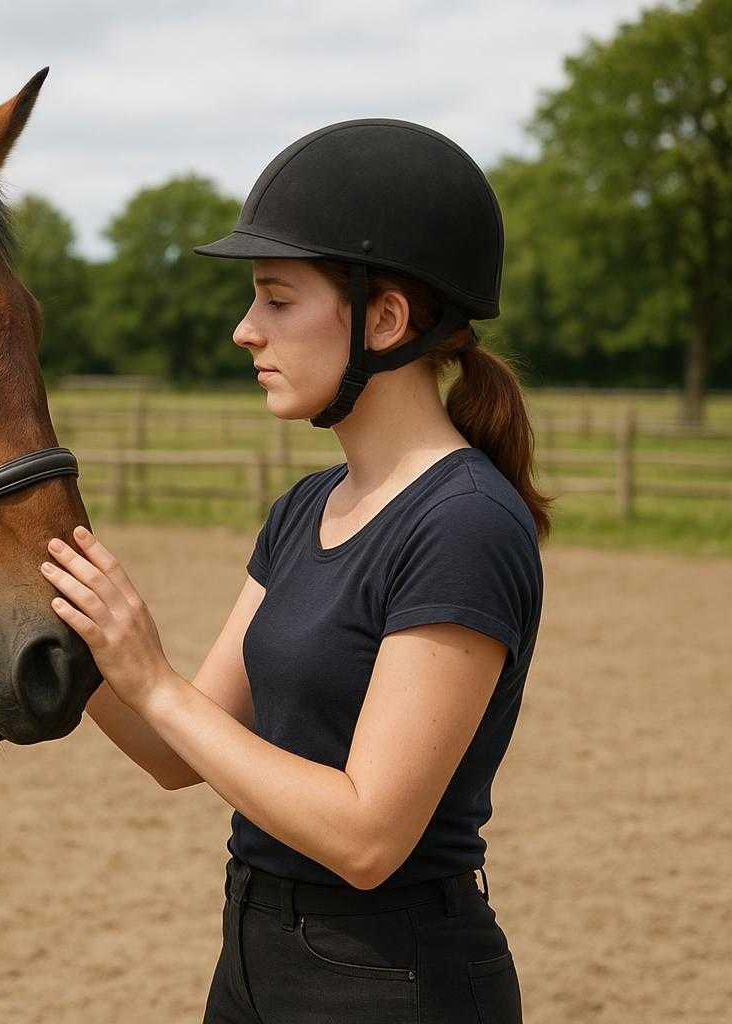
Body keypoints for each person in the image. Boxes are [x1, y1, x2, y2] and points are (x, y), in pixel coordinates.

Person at [39, 119, 548, 1023]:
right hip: (252, 954)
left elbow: (366, 836)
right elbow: (175, 752)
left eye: (276, 300)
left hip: (392, 979)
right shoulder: (307, 507)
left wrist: (156, 682)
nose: (244, 331)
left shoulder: (464, 525)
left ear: (385, 319)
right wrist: (58, 629)